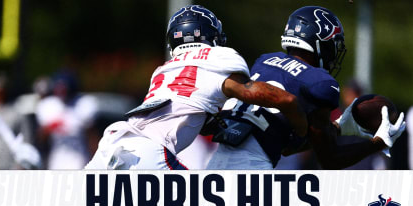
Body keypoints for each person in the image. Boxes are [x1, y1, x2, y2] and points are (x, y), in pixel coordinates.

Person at [85, 5, 307, 170]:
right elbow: (263, 95)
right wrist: (298, 120)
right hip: (150, 153)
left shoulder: (164, 69)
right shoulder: (218, 56)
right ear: (212, 36)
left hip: (111, 145)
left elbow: (186, 111)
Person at [206, 6, 406, 170]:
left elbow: (288, 146)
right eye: (332, 46)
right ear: (320, 44)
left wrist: (337, 127)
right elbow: (330, 160)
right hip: (253, 169)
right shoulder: (318, 82)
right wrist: (378, 142)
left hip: (215, 164)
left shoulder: (264, 61)